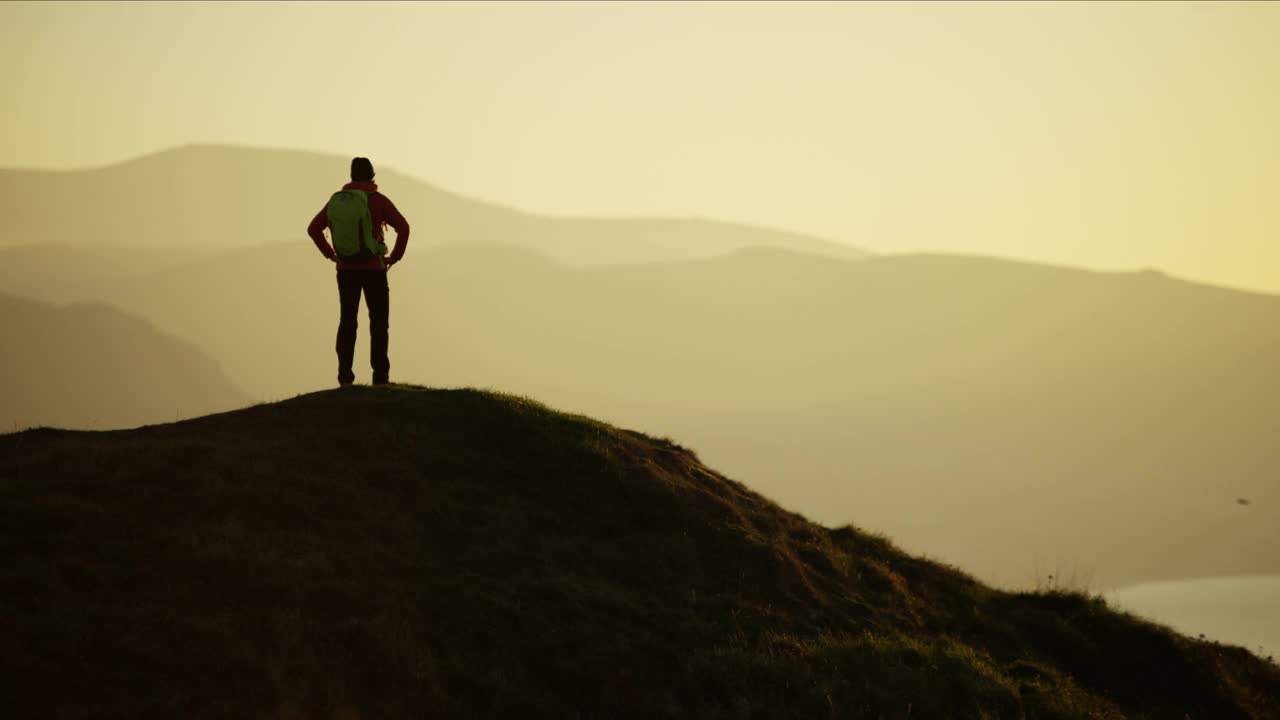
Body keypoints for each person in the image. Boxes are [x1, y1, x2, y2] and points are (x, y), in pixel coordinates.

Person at [307, 157, 410, 386]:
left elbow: (313, 228)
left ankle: (345, 376)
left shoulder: (337, 201)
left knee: (347, 321)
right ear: (372, 175)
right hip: (374, 268)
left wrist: (331, 253)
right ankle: (380, 377)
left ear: (351, 175)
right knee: (379, 322)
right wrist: (395, 256)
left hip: (345, 270)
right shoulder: (378, 201)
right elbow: (403, 227)